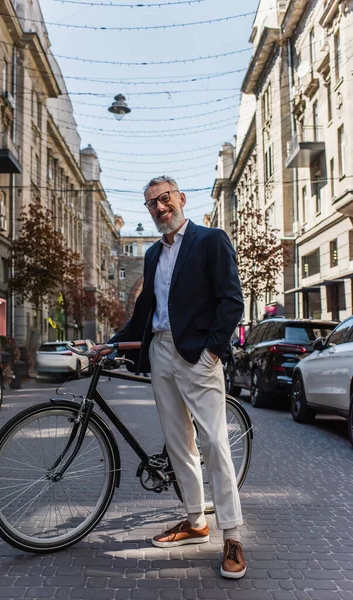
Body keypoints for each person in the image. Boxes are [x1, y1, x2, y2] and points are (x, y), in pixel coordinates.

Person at [93, 176, 246, 578]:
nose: (159, 207)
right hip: (160, 351)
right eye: (151, 204)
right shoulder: (152, 256)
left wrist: (213, 351)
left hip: (198, 355)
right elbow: (145, 311)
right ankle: (196, 520)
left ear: (180, 199)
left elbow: (232, 300)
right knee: (180, 443)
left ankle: (231, 535)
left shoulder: (211, 240)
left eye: (164, 199)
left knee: (214, 443)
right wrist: (112, 343)